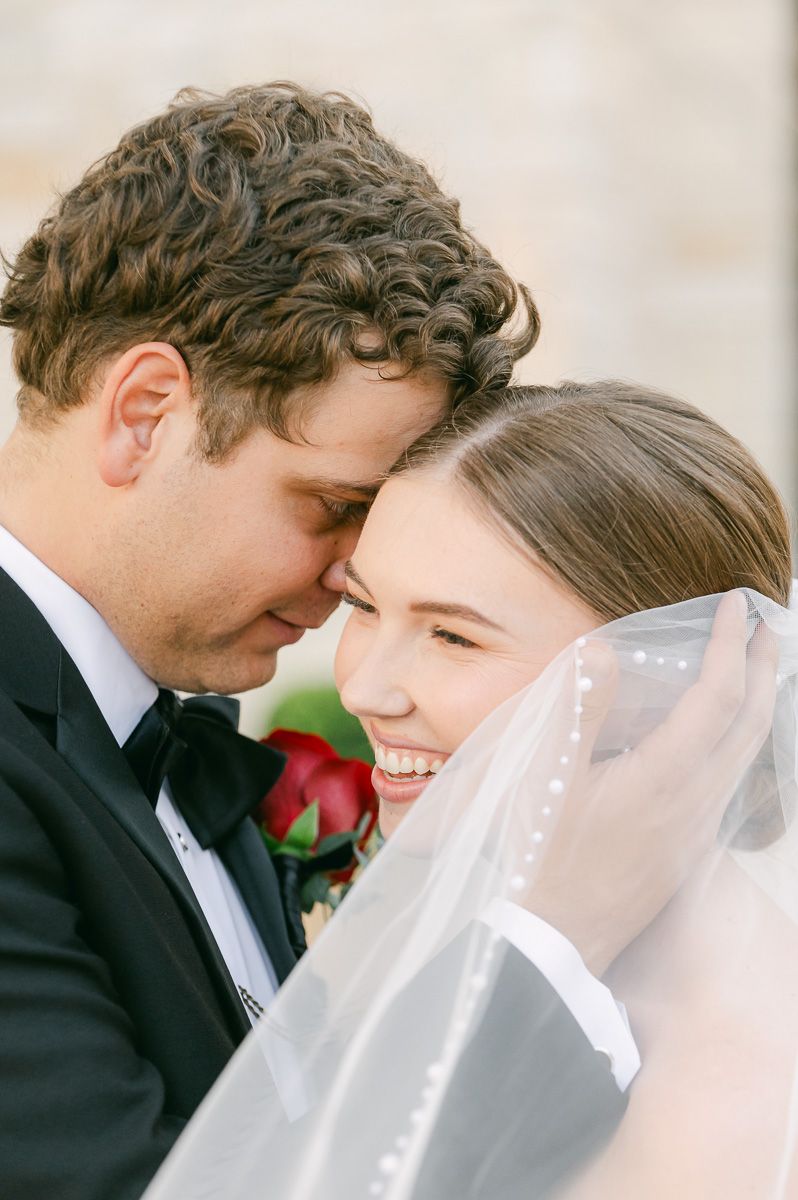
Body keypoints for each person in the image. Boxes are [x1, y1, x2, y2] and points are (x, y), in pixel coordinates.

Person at [0, 82, 769, 1198]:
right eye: (328, 504)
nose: (347, 581)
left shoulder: (172, 735)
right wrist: (548, 941)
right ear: (144, 412)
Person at [142, 381, 791, 1200]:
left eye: (453, 635)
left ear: (670, 675)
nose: (364, 690)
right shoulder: (464, 941)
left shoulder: (732, 1061)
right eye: (365, 606)